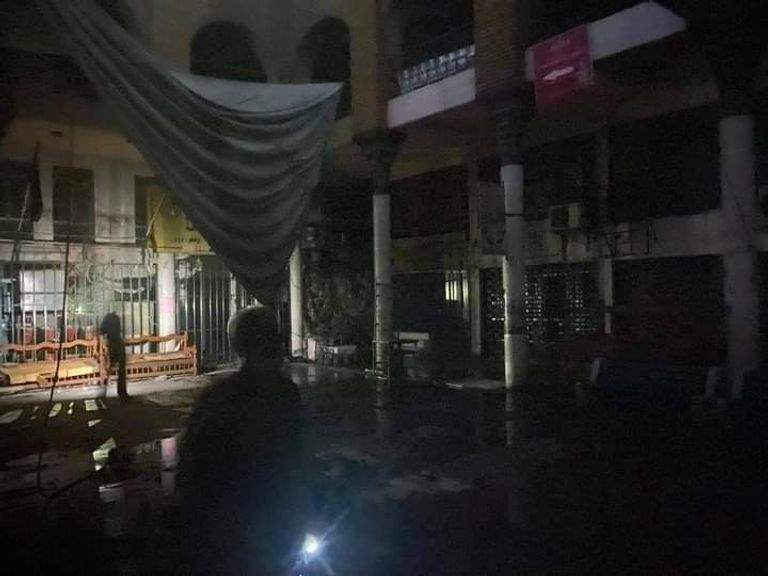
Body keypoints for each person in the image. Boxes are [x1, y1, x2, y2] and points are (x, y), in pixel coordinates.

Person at [177, 306, 307, 575]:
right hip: (242, 528)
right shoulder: (273, 395)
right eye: (268, 340)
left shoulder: (280, 394)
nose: (277, 347)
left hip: (254, 527)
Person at [99, 311, 128, 399]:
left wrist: (104, 345)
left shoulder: (108, 319)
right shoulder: (116, 319)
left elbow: (102, 331)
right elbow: (118, 331)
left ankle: (104, 390)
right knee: (121, 369)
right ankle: (122, 392)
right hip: (118, 343)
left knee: (109, 367)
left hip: (112, 343)